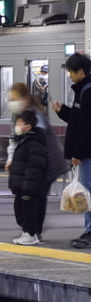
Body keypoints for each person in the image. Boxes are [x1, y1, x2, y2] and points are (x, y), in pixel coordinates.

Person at [5, 81, 67, 240]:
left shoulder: (34, 115)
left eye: (14, 98)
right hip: (39, 162)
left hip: (47, 163)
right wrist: (11, 158)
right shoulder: (24, 114)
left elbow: (37, 144)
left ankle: (33, 231)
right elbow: (17, 139)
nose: (11, 102)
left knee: (36, 196)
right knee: (33, 197)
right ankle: (31, 229)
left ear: (24, 99)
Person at [53, 52, 91, 248]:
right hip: (86, 152)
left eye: (70, 71)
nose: (69, 75)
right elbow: (77, 120)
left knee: (87, 193)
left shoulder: (88, 91)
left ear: (81, 71)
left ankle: (90, 231)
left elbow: (86, 127)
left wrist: (78, 153)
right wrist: (63, 111)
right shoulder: (82, 90)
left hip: (88, 154)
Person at [7, 109, 49, 245]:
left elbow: (35, 168)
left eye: (20, 123)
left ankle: (30, 234)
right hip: (22, 185)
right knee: (20, 211)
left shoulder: (34, 144)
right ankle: (27, 232)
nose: (17, 126)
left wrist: (29, 188)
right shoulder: (23, 142)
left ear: (28, 127)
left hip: (29, 187)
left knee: (28, 211)